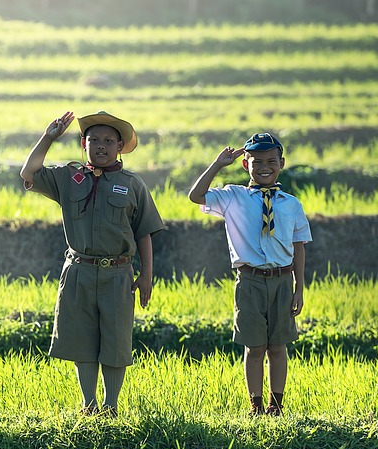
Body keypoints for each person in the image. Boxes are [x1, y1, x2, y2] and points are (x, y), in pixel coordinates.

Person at [19, 111, 164, 417]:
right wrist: (49, 136)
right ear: (83, 144)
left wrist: (147, 274)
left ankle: (111, 406)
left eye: (108, 141)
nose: (101, 145)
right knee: (81, 339)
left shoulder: (132, 184)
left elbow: (144, 231)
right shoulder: (69, 178)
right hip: (79, 270)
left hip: (118, 273)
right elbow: (29, 173)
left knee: (115, 341)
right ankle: (89, 404)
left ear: (120, 146)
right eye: (93, 140)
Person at [188, 133, 310, 417]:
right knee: (254, 347)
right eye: (257, 162)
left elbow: (299, 247)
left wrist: (299, 287)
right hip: (250, 281)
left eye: (271, 161)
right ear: (246, 164)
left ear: (281, 163)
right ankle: (255, 405)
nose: (264, 167)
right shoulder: (233, 197)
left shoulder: (290, 204)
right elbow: (196, 196)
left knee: (278, 347)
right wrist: (218, 164)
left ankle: (276, 406)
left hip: (281, 280)